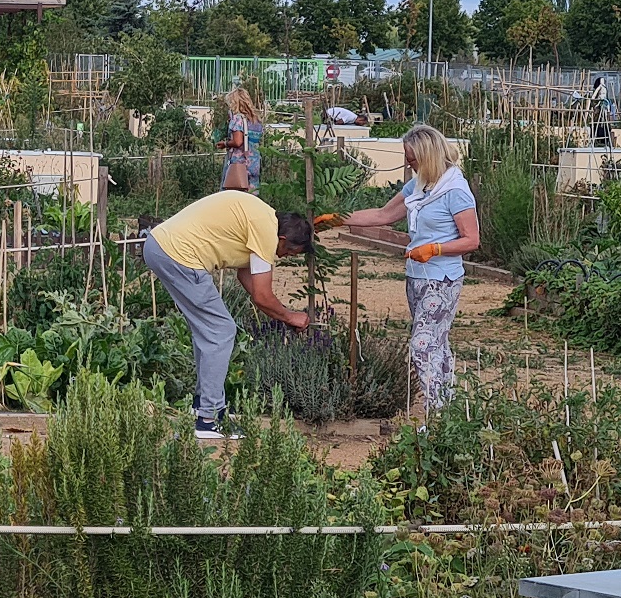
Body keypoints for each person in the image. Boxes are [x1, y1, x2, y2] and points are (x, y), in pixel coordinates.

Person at [317, 124, 477, 411]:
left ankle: (435, 412)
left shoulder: (455, 190)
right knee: (437, 343)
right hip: (416, 277)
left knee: (423, 345)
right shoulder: (419, 186)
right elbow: (384, 214)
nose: (408, 163)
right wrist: (339, 219)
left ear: (428, 155)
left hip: (441, 279)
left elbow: (471, 240)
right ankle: (447, 408)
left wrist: (436, 249)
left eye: (412, 158)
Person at [143, 191, 314, 439]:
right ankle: (209, 420)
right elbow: (262, 296)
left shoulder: (262, 218)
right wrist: (289, 317)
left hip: (160, 246)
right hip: (178, 254)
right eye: (289, 252)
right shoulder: (265, 229)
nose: (284, 257)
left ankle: (203, 405)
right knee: (221, 331)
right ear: (283, 238)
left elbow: (250, 280)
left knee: (208, 331)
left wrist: (278, 313)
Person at [217, 86, 263, 191]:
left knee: (233, 195)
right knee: (251, 195)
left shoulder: (238, 119)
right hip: (254, 163)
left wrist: (225, 144)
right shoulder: (256, 120)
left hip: (239, 164)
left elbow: (238, 142)